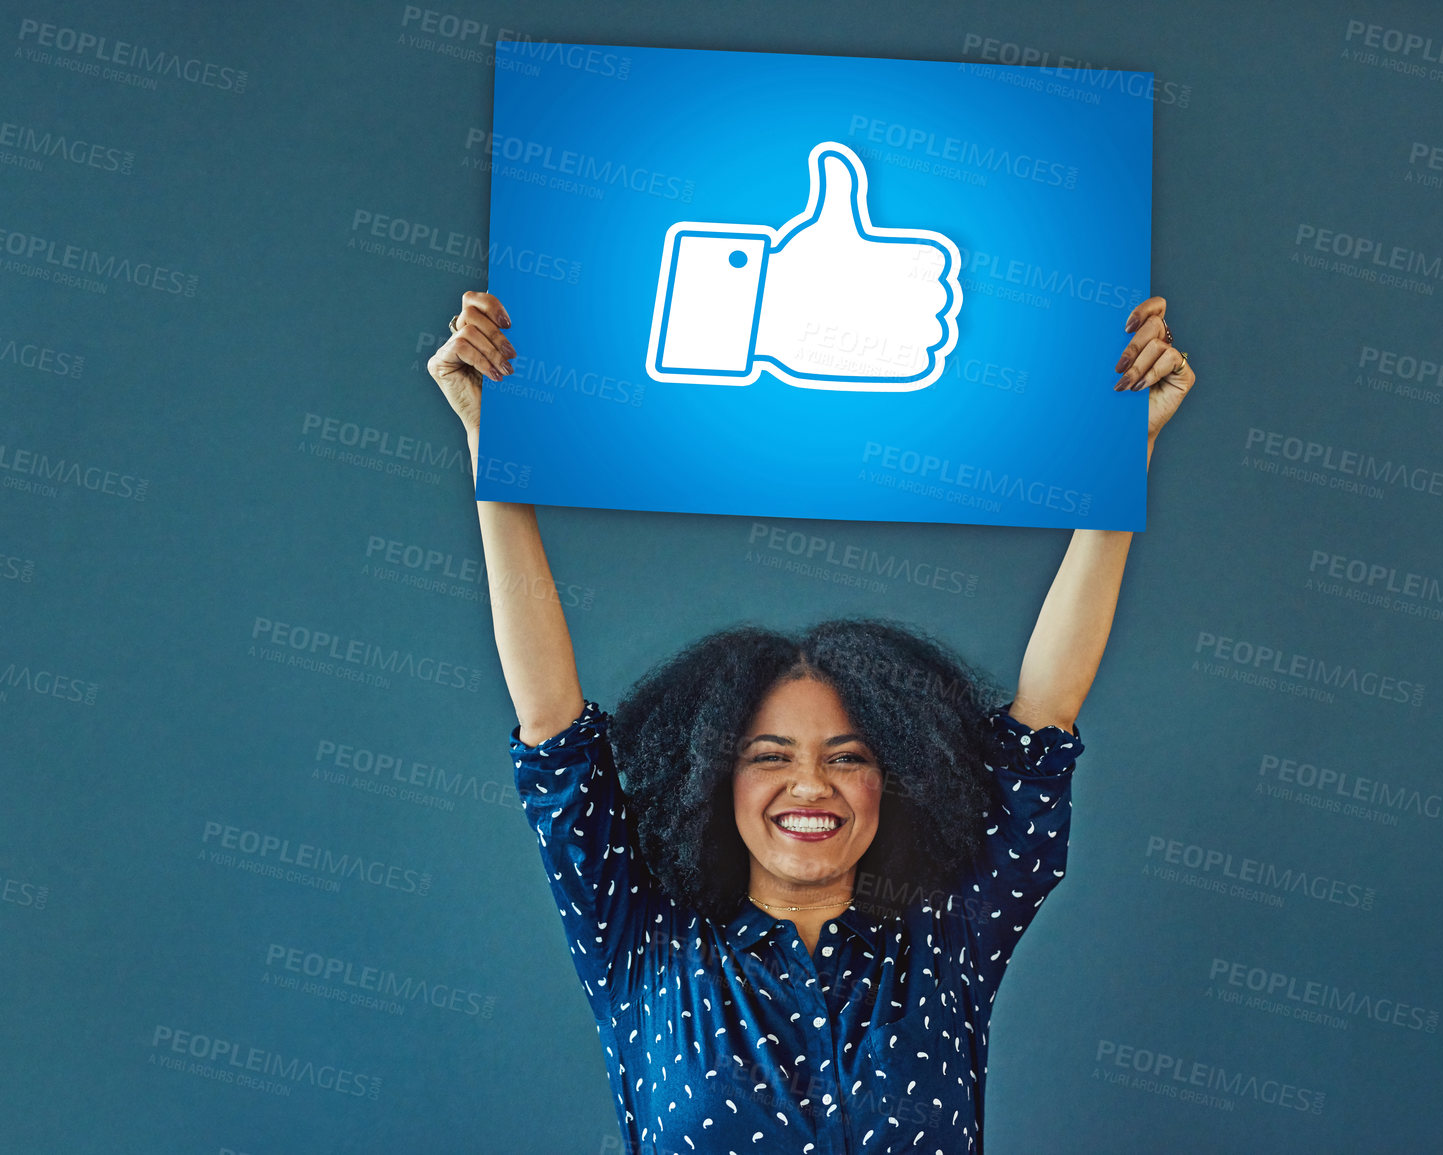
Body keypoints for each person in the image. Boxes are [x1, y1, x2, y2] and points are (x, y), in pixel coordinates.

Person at [428, 290, 1196, 1154]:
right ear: (715, 780)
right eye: (768, 755)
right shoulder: (642, 947)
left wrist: (1120, 456)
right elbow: (550, 723)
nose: (809, 784)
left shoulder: (944, 948)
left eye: (847, 755)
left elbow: (1045, 716)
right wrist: (494, 449)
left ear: (893, 778)